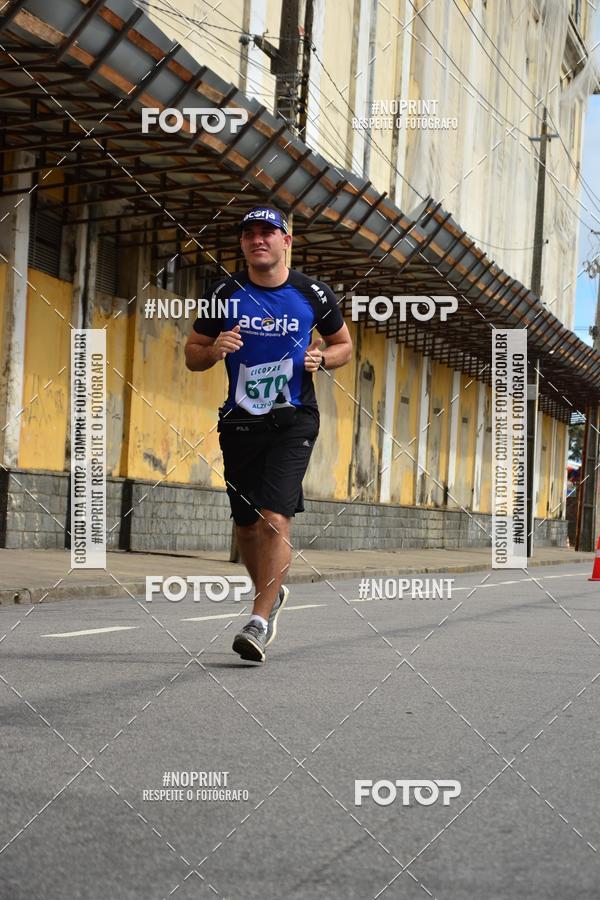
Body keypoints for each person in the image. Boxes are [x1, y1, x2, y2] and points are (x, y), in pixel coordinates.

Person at [184, 206, 352, 662]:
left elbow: (343, 346)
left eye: (268, 233)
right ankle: (270, 594)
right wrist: (215, 348)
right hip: (240, 421)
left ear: (286, 242)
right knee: (244, 524)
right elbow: (192, 353)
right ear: (243, 244)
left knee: (274, 518)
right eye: (250, 234)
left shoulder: (311, 293)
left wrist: (323, 359)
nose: (259, 240)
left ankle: (258, 620)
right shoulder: (224, 293)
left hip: (293, 419)